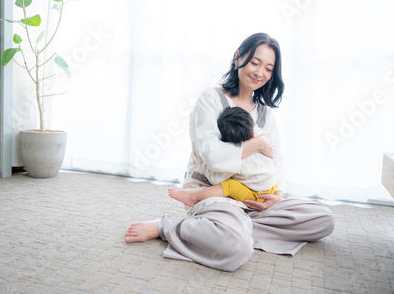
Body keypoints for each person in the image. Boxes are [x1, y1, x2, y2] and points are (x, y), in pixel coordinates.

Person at [125, 33, 334, 272]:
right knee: (237, 249)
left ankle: (230, 227)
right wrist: (256, 144)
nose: (259, 73)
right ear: (237, 58)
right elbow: (212, 156)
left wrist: (277, 194)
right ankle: (169, 226)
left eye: (268, 68)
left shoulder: (265, 113)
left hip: (252, 199)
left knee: (323, 219)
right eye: (254, 63)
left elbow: (279, 158)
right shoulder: (211, 99)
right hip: (213, 193)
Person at [168, 106, 281, 206]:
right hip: (273, 183)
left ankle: (194, 197)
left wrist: (203, 161)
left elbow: (215, 179)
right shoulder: (262, 137)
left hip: (259, 196)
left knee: (229, 186)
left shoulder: (236, 159)